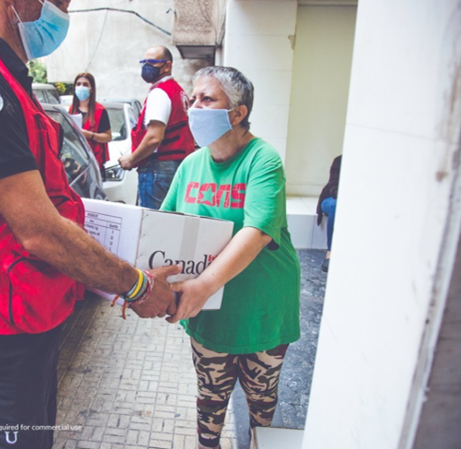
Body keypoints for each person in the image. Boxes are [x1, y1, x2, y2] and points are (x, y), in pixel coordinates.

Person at [0, 1, 179, 448]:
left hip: (26, 320)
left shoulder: (11, 81)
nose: (63, 13)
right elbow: (38, 230)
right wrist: (137, 286)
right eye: (58, 2)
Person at [163, 66, 301, 449]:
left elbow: (255, 232)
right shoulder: (191, 165)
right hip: (210, 316)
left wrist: (203, 285)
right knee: (209, 404)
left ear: (237, 113)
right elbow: (165, 226)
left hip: (263, 312)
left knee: (261, 407)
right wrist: (139, 282)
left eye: (207, 99)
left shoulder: (263, 160)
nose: (194, 108)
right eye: (193, 99)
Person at [118, 45, 195, 209]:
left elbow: (154, 137)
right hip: (175, 164)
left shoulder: (160, 93)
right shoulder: (178, 92)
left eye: (152, 63)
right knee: (171, 218)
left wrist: (131, 159)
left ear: (167, 66)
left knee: (152, 222)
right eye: (144, 62)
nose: (146, 67)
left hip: (158, 168)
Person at [68, 72, 112, 170]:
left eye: (85, 84)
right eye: (78, 84)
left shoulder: (100, 111)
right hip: (76, 159)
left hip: (94, 161)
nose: (81, 87)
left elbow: (108, 137)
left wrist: (90, 135)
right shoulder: (72, 109)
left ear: (91, 89)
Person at [316, 155, 341, 272]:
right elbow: (334, 190)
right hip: (331, 199)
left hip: (351, 201)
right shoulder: (340, 160)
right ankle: (330, 252)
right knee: (336, 206)